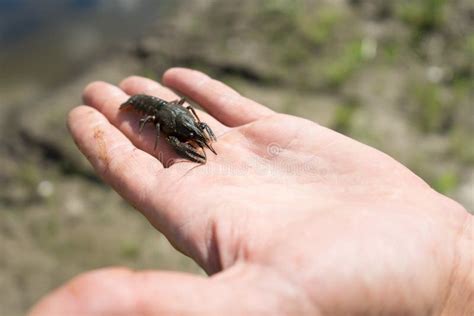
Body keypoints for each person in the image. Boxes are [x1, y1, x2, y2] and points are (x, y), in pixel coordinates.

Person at [30, 68, 472, 315]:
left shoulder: (185, 119)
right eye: (189, 131)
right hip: (146, 106)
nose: (194, 133)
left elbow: (186, 121)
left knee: (188, 125)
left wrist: (455, 276)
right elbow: (165, 130)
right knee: (164, 128)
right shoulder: (155, 117)